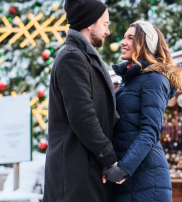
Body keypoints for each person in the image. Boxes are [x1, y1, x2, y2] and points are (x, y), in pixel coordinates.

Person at [102, 20, 182, 201]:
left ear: (145, 45)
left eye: (130, 38)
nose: (123, 42)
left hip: (146, 179)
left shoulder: (154, 79)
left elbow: (149, 131)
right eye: (124, 37)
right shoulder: (131, 79)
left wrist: (123, 169)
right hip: (131, 175)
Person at [43, 0, 120, 201]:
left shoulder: (84, 56)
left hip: (84, 173)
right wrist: (108, 157)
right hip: (74, 177)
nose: (108, 31)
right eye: (105, 24)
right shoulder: (72, 58)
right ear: (89, 23)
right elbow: (82, 115)